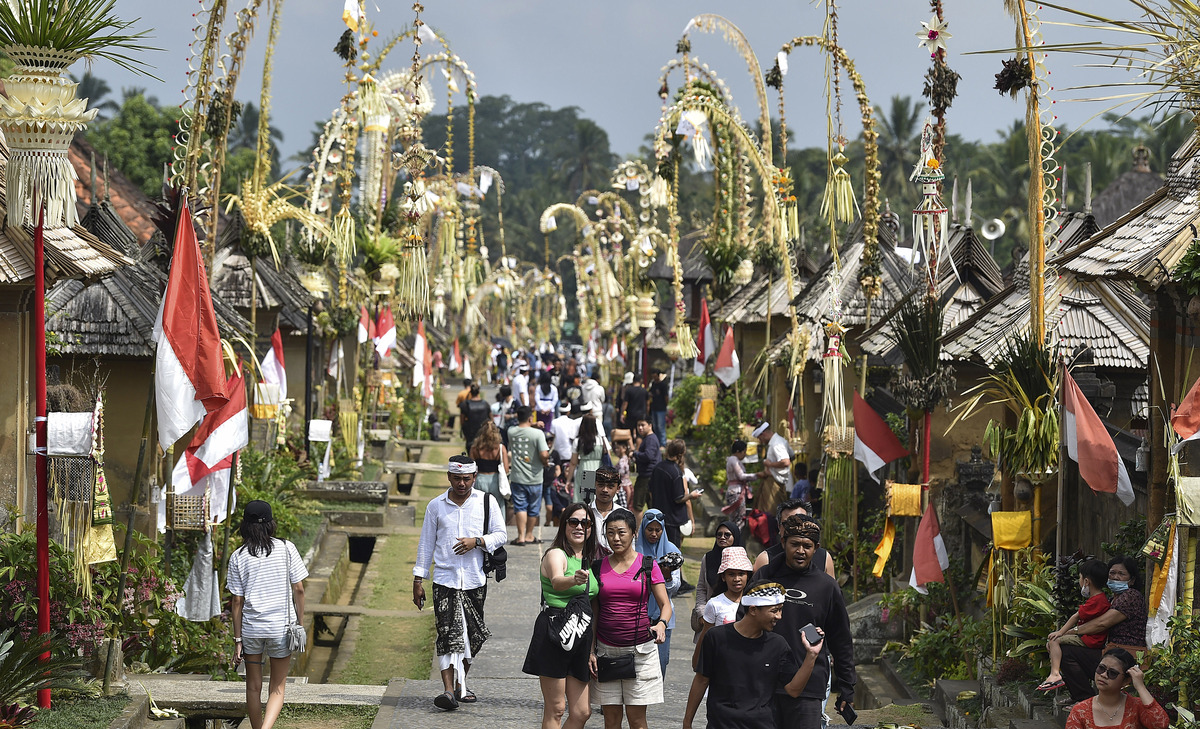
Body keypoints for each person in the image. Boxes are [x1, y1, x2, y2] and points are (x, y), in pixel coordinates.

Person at [412, 455, 508, 711]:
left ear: (474, 478)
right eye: (457, 479)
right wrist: (418, 579)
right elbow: (426, 544)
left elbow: (501, 534)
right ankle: (447, 690)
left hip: (475, 580)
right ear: (449, 478)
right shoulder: (436, 506)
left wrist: (476, 541)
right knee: (447, 635)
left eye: (466, 479)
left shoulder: (487, 502)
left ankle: (459, 686)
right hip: (445, 580)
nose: (462, 484)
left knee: (471, 637)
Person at [752, 514, 856, 729]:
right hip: (762, 682)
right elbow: (743, 623)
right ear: (783, 543)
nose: (801, 551)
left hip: (809, 687)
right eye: (795, 544)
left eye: (807, 546)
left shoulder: (827, 587)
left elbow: (841, 639)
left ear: (816, 548)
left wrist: (847, 685)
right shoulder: (765, 576)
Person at [683, 581, 823, 729]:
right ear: (753, 610)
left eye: (781, 610)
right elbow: (701, 680)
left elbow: (793, 690)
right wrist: (687, 722)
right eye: (775, 610)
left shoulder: (778, 645)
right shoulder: (716, 637)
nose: (779, 616)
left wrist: (811, 655)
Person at [228, 500, 308, 729]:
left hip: (252, 630)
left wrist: (237, 640)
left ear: (245, 525)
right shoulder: (286, 548)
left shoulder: (238, 556)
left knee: (253, 687)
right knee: (277, 688)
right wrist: (299, 623)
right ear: (271, 523)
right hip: (280, 629)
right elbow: (299, 589)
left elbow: (236, 602)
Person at [589, 509, 672, 729]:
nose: (616, 538)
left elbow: (665, 605)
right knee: (611, 721)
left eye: (621, 532)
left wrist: (661, 624)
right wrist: (591, 651)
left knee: (637, 721)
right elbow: (594, 613)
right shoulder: (597, 567)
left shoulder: (647, 564)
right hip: (606, 652)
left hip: (641, 653)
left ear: (634, 533)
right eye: (610, 533)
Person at [523, 502, 601, 729]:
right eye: (573, 522)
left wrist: (591, 648)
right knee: (556, 709)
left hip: (581, 634)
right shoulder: (556, 554)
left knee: (582, 712)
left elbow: (591, 605)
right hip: (555, 632)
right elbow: (557, 581)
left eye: (585, 523)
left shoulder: (588, 560)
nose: (579, 527)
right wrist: (573, 580)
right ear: (564, 525)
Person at [1059, 556, 1149, 703]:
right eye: (1112, 573)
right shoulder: (1113, 598)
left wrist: (1073, 631)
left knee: (1066, 651)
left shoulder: (1131, 596)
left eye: (1121, 574)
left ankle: (1085, 700)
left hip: (1127, 656)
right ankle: (1081, 698)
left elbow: (1102, 623)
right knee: (1064, 648)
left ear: (1131, 580)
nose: (1116, 577)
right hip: (1112, 652)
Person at [1036, 559, 1111, 695]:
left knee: (1054, 641)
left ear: (1087, 581)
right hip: (1089, 638)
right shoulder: (1101, 599)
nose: (1079, 581)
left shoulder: (1096, 600)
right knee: (1053, 645)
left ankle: (1054, 674)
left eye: (1080, 578)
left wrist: (1060, 633)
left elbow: (1075, 617)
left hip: (1089, 640)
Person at [1064, 648, 1168, 729]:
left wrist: (1140, 686)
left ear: (1126, 681)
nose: (1103, 675)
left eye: (1112, 673)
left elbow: (1161, 725)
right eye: (1101, 668)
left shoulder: (1136, 707)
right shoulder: (1080, 711)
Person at [636, 509, 682, 679]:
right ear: (643, 529)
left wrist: (667, 575)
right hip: (637, 616)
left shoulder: (672, 550)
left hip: (664, 616)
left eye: (658, 530)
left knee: (660, 663)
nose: (654, 534)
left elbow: (675, 588)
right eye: (650, 530)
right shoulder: (634, 550)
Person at [691, 546, 753, 671]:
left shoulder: (753, 604)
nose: (737, 579)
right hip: (720, 665)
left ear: (748, 575)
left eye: (741, 574)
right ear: (723, 577)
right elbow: (705, 636)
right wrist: (697, 663)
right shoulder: (715, 604)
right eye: (731, 574)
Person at [752, 499, 836, 578]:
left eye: (800, 522)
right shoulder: (766, 560)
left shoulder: (824, 558)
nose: (793, 527)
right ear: (779, 526)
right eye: (787, 523)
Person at [692, 520, 745, 633]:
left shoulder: (742, 561)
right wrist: (702, 613)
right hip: (709, 617)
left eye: (727, 535)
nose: (722, 537)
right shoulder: (708, 558)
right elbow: (701, 588)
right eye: (719, 534)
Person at [648, 439, 702, 548]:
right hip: (673, 520)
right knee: (673, 553)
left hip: (658, 516)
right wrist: (691, 496)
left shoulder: (658, 467)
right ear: (681, 454)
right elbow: (678, 498)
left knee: (659, 551)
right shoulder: (676, 472)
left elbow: (650, 491)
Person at [508, 406, 549, 546]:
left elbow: (522, 427)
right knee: (533, 507)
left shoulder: (511, 432)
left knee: (520, 506)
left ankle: (520, 537)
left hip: (517, 476)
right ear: (531, 417)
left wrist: (531, 423)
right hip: (535, 477)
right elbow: (544, 454)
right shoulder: (538, 434)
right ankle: (529, 535)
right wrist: (546, 462)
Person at [752, 422, 792, 520]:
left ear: (763, 434)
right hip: (774, 480)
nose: (760, 441)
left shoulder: (776, 444)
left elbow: (786, 461)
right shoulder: (779, 441)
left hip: (775, 483)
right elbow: (792, 455)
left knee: (770, 512)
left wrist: (770, 465)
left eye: (759, 438)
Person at [470, 421, 510, 507]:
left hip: (480, 480)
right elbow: (506, 469)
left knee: (479, 507)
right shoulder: (500, 448)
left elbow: (470, 468)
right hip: (495, 480)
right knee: (498, 508)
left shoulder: (475, 448)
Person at [569, 414, 605, 502]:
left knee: (585, 500)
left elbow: (573, 463)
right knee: (599, 500)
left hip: (585, 469)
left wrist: (568, 480)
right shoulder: (601, 439)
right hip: (599, 469)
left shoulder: (578, 441)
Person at [631, 419, 661, 515]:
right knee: (652, 506)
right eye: (638, 425)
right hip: (649, 475)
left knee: (638, 506)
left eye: (643, 425)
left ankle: (636, 530)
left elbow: (648, 456)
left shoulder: (651, 439)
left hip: (647, 476)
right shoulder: (648, 438)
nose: (640, 428)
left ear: (650, 425)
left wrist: (635, 454)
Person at [589, 466, 623, 552]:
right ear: (594, 485)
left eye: (610, 486)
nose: (605, 490)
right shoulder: (585, 513)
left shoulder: (624, 516)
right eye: (600, 485)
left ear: (618, 488)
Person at [724, 440, 753, 529]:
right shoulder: (734, 460)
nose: (745, 454)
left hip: (736, 491)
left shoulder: (733, 460)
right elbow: (741, 476)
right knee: (738, 520)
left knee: (735, 519)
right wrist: (756, 475)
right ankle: (735, 540)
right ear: (738, 451)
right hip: (736, 492)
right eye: (744, 452)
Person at [460, 384, 491, 449]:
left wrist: (464, 432)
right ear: (479, 392)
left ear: (470, 392)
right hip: (483, 434)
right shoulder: (485, 404)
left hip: (471, 435)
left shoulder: (465, 405)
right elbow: (491, 420)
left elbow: (462, 421)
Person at [648, 369, 669, 445]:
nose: (654, 378)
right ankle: (657, 442)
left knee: (661, 427)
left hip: (661, 409)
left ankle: (663, 443)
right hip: (654, 408)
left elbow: (666, 397)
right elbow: (650, 392)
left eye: (655, 376)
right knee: (655, 427)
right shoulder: (653, 384)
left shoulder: (663, 385)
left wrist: (665, 405)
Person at [612, 439, 633, 509]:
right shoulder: (627, 458)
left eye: (618, 448)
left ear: (624, 448)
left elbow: (621, 473)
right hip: (629, 485)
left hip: (623, 487)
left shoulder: (622, 461)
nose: (616, 450)